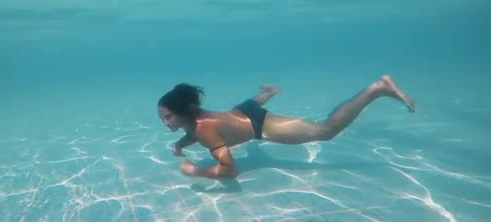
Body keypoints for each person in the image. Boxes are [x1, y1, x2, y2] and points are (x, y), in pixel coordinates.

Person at [157, 75, 416, 180]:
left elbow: (230, 170)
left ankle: (377, 89)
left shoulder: (203, 128)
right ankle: (270, 92)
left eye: (168, 118)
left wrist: (195, 170)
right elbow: (191, 132)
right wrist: (181, 143)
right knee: (253, 102)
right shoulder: (194, 120)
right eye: (163, 119)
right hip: (242, 110)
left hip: (258, 124)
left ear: (183, 112)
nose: (166, 124)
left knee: (325, 131)